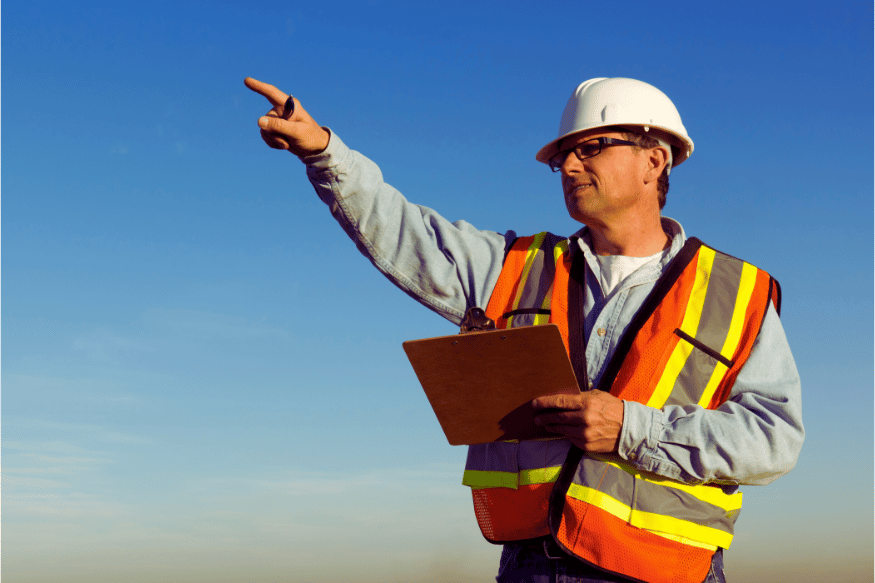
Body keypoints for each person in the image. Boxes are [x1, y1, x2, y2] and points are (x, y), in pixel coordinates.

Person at [244, 76, 804, 583]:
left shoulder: (738, 292)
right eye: (562, 157)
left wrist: (633, 428)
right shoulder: (514, 266)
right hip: (529, 568)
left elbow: (774, 440)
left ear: (654, 160)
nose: (569, 166)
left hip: (667, 573)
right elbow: (404, 231)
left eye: (591, 149)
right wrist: (324, 153)